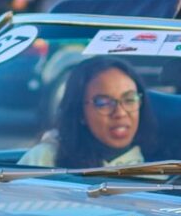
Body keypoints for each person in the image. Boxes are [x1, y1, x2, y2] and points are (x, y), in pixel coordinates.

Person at [21, 57, 155, 168]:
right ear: (80, 113)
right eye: (103, 103)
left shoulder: (162, 166)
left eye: (129, 100)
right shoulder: (45, 160)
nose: (120, 113)